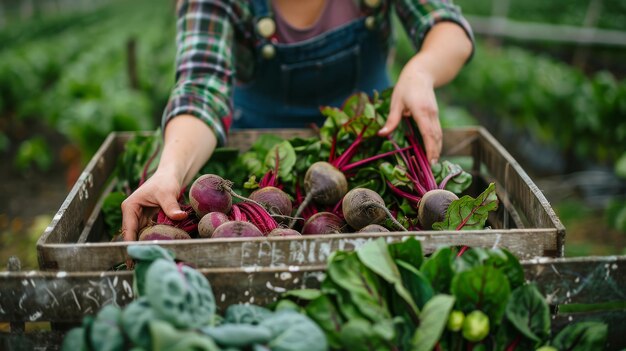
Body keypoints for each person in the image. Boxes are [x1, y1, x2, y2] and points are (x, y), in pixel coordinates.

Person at [121, 0, 474, 241]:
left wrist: (420, 70)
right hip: (254, 153)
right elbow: (202, 86)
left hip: (371, 137)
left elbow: (447, 24)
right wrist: (171, 170)